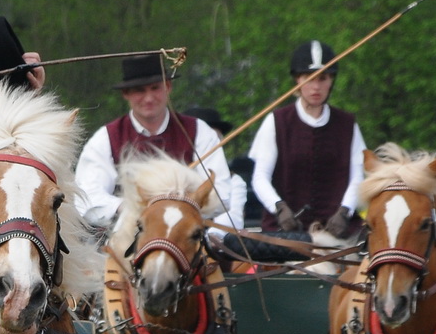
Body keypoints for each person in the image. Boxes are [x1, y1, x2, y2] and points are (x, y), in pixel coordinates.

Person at [75, 53, 245, 236]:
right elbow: (86, 197)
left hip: (187, 238)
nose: (149, 98)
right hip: (127, 237)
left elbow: (221, 193)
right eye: (139, 90)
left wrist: (180, 207)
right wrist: (129, 207)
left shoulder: (199, 131)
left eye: (155, 88)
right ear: (126, 94)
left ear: (168, 87)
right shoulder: (106, 138)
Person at [248, 41, 367, 236]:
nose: (316, 87)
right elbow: (260, 177)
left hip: (338, 233)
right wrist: (278, 208)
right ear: (297, 80)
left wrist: (345, 211)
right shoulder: (276, 122)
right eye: (308, 78)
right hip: (286, 231)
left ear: (331, 81)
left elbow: (357, 176)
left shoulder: (347, 124)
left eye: (323, 78)